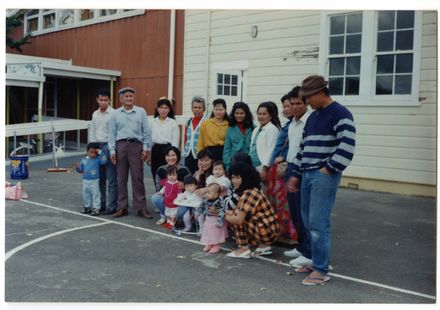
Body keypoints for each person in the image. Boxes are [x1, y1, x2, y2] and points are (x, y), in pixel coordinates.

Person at [286, 75, 356, 286]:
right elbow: (303, 149)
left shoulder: (340, 113)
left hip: (323, 176)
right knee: (307, 221)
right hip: (307, 174)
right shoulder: (314, 117)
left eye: (307, 98)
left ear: (319, 93)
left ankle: (321, 269)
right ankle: (315, 261)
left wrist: (329, 169)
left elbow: (348, 146)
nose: (306, 103)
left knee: (318, 223)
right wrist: (296, 175)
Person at [108, 87, 153, 219]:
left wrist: (146, 149)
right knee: (121, 179)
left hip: (136, 146)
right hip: (120, 146)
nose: (129, 98)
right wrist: (112, 151)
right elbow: (112, 134)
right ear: (121, 98)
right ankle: (122, 207)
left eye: (131, 96)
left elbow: (146, 132)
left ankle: (141, 208)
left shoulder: (141, 112)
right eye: (126, 96)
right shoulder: (115, 114)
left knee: (137, 178)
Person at [283, 87, 312, 268]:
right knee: (294, 211)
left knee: (303, 213)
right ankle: (301, 247)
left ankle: (308, 252)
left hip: (302, 170)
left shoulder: (309, 122)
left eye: (298, 104)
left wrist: (296, 171)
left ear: (306, 103)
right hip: (290, 166)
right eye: (291, 104)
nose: (294, 107)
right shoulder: (292, 123)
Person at [225, 162, 279, 259]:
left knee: (236, 219)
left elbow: (238, 220)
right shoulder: (248, 190)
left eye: (238, 178)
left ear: (246, 178)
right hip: (266, 228)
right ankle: (262, 247)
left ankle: (244, 249)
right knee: (234, 214)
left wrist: (221, 214)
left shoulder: (249, 193)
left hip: (266, 231)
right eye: (233, 178)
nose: (234, 181)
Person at [264, 92, 298, 243]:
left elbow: (296, 147)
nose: (286, 109)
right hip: (275, 169)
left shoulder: (296, 125)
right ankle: (280, 232)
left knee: (284, 204)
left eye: (288, 106)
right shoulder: (288, 125)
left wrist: (283, 157)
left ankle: (290, 235)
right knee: (277, 203)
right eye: (284, 106)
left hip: (284, 169)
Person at [89, 89, 118, 215]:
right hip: (96, 146)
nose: (103, 102)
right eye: (101, 100)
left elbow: (115, 132)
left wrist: (113, 150)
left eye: (106, 100)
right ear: (97, 100)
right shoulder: (95, 114)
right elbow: (92, 130)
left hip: (108, 146)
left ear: (109, 100)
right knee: (100, 178)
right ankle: (100, 204)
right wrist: (91, 147)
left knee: (111, 178)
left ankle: (112, 206)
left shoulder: (114, 114)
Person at [151, 146, 191, 225]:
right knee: (155, 198)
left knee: (181, 212)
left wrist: (184, 187)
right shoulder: (161, 169)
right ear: (165, 157)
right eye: (168, 155)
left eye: (173, 155)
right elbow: (158, 187)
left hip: (181, 199)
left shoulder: (184, 169)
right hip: (167, 198)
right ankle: (164, 216)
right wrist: (163, 192)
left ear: (178, 156)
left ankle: (177, 218)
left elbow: (191, 186)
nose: (170, 158)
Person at [149, 97, 179, 188]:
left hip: (168, 150)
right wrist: (149, 155)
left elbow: (175, 141)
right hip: (155, 149)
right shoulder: (152, 122)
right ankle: (158, 192)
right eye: (161, 107)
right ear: (157, 109)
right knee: (156, 173)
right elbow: (149, 139)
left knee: (168, 173)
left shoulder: (173, 123)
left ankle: (168, 195)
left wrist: (174, 156)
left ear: (169, 109)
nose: (163, 110)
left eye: (166, 108)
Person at [249, 102, 281, 181]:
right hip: (253, 166)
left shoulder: (272, 129)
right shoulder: (256, 129)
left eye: (264, 114)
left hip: (262, 166)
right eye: (259, 114)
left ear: (270, 116)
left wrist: (265, 168)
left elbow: (271, 149)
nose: (261, 116)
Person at [76, 143, 108, 216]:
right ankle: (87, 207)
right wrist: (77, 167)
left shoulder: (98, 160)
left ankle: (96, 208)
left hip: (95, 180)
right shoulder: (83, 160)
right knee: (86, 194)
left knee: (96, 194)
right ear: (87, 151)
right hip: (85, 180)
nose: (93, 154)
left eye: (95, 152)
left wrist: (100, 152)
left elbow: (105, 160)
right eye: (91, 152)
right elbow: (80, 170)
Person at [195, 183, 228, 254]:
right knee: (209, 233)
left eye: (209, 193)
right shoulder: (206, 200)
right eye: (206, 192)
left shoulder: (219, 202)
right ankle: (210, 243)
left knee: (216, 234)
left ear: (216, 195)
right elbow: (201, 206)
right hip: (208, 220)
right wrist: (197, 213)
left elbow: (222, 212)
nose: (206, 194)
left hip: (216, 221)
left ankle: (216, 245)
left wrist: (219, 222)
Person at [222, 102, 255, 170]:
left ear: (246, 114)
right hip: (234, 162)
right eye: (236, 113)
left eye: (241, 113)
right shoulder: (230, 129)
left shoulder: (253, 128)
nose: (239, 115)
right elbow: (227, 149)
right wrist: (228, 165)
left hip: (249, 161)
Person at [182, 96, 207, 174]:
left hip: (200, 155)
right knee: (188, 178)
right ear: (192, 108)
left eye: (199, 107)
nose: (197, 109)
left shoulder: (207, 121)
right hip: (188, 155)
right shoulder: (189, 121)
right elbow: (186, 138)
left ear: (203, 109)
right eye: (195, 107)